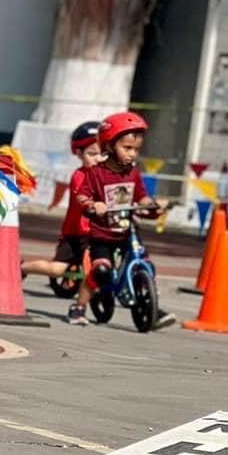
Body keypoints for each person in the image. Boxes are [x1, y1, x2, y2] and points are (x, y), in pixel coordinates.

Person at [77, 111, 176, 330]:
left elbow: (141, 197)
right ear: (110, 146)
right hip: (102, 234)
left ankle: (151, 306)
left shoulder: (133, 173)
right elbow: (82, 196)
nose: (132, 154)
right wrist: (94, 205)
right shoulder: (96, 173)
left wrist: (153, 204)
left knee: (146, 265)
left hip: (126, 231)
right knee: (101, 270)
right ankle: (80, 306)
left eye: (136, 149)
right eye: (127, 148)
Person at [21, 121, 102, 326]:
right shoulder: (79, 176)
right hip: (76, 233)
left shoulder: (107, 176)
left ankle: (80, 306)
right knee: (58, 270)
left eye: (102, 154)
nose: (98, 158)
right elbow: (82, 198)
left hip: (99, 232)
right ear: (78, 153)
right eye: (92, 154)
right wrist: (93, 204)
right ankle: (21, 267)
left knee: (98, 266)